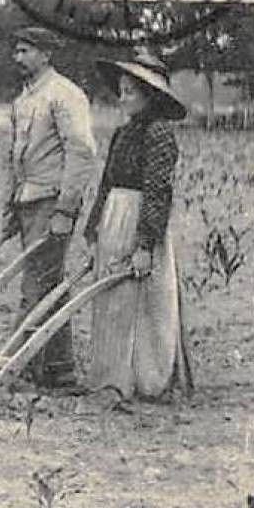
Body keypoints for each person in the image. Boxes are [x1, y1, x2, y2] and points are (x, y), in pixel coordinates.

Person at [82, 51, 193, 401]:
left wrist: (145, 245)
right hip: (115, 218)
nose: (123, 97)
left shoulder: (159, 134)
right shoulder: (123, 132)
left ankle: (148, 380)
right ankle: (112, 376)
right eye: (122, 90)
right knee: (113, 300)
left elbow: (158, 191)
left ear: (150, 95)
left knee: (144, 301)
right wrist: (94, 225)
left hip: (140, 218)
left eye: (131, 91)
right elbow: (106, 181)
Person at [5, 26, 97, 391]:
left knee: (36, 285)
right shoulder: (23, 100)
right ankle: (59, 370)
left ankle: (19, 367)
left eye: (25, 51)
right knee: (49, 284)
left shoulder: (65, 95)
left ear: (46, 54)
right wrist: (9, 210)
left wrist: (66, 209)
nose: (18, 58)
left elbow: (82, 152)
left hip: (51, 201)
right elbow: (16, 157)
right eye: (17, 51)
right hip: (27, 201)